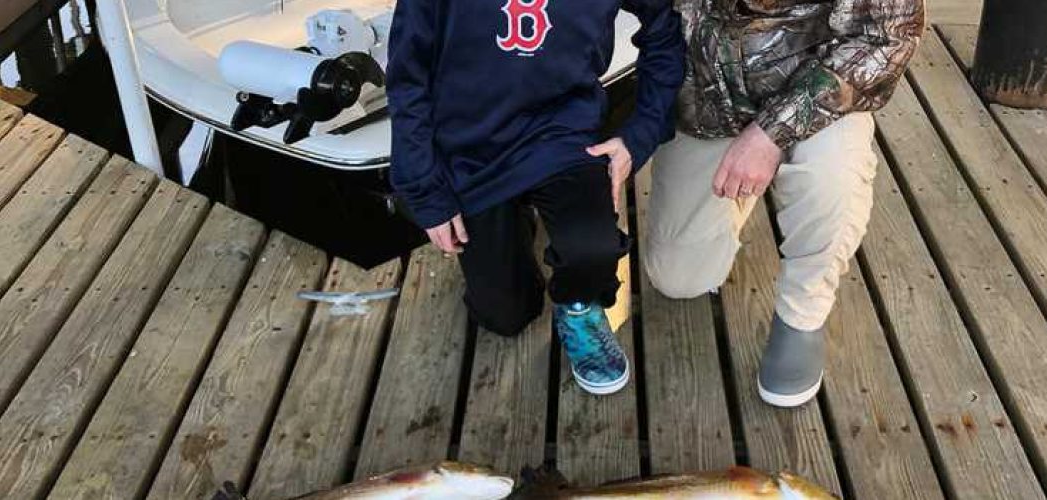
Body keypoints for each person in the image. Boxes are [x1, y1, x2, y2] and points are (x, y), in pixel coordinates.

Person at [387, 0, 684, 395]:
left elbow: (665, 30)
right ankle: (512, 222)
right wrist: (425, 191)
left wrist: (638, 135)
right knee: (506, 315)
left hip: (560, 135)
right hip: (472, 147)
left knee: (591, 249)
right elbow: (407, 77)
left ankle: (579, 308)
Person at [644, 0, 924, 407]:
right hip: (704, 104)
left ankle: (802, 314)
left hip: (818, 94)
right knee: (678, 278)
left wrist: (770, 133)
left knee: (832, 177)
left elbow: (889, 36)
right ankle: (745, 184)